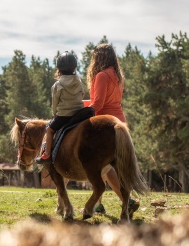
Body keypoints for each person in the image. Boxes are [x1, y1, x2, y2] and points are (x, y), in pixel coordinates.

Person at [86, 43, 138, 214]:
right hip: (120, 122)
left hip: (104, 125)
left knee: (105, 167)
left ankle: (127, 200)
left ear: (98, 57)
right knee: (106, 166)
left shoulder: (101, 76)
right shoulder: (117, 76)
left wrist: (79, 108)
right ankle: (98, 205)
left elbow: (98, 105)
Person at [36, 51, 85, 164]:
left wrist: (55, 114)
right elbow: (82, 95)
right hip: (79, 113)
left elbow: (55, 103)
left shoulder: (57, 85)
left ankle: (47, 155)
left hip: (64, 115)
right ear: (74, 69)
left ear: (59, 69)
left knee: (49, 130)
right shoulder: (79, 83)